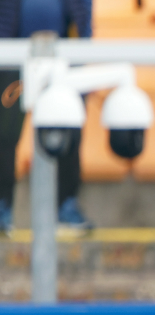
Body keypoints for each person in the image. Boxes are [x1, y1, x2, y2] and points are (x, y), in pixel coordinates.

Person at [0, 0, 94, 232]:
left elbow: (83, 11)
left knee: (67, 130)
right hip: (12, 58)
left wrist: (81, 51)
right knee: (4, 134)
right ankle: (2, 207)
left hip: (62, 57)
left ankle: (66, 205)